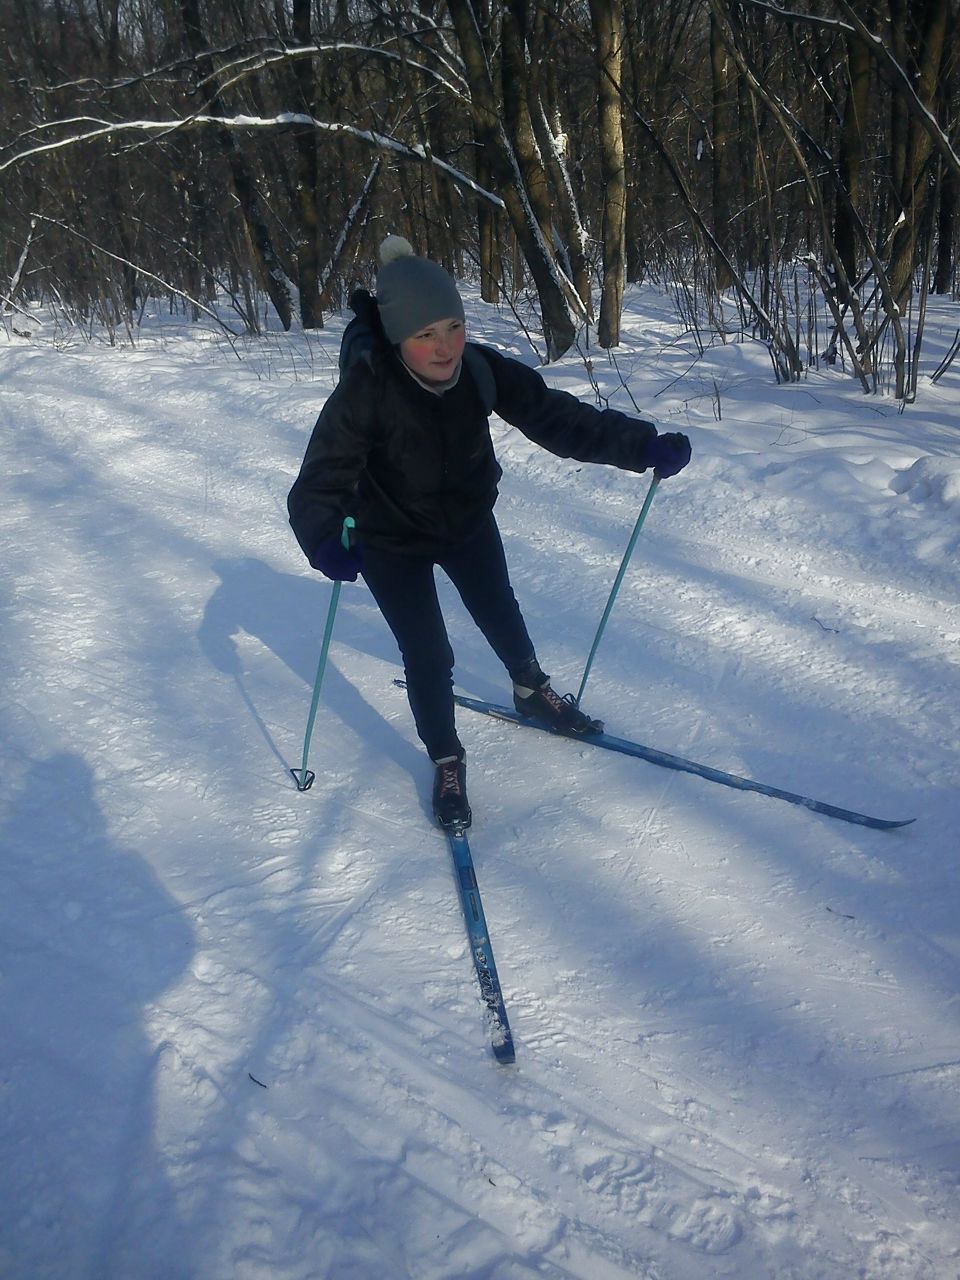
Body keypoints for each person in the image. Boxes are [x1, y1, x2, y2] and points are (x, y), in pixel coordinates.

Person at [288, 236, 691, 830]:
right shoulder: (366, 391)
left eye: (453, 326)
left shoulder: (478, 369)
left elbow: (557, 417)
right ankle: (446, 758)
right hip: (389, 539)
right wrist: (326, 538)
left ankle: (530, 688)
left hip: (467, 520)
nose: (445, 345)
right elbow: (319, 481)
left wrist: (640, 445)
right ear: (399, 335)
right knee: (429, 654)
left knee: (499, 608)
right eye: (425, 334)